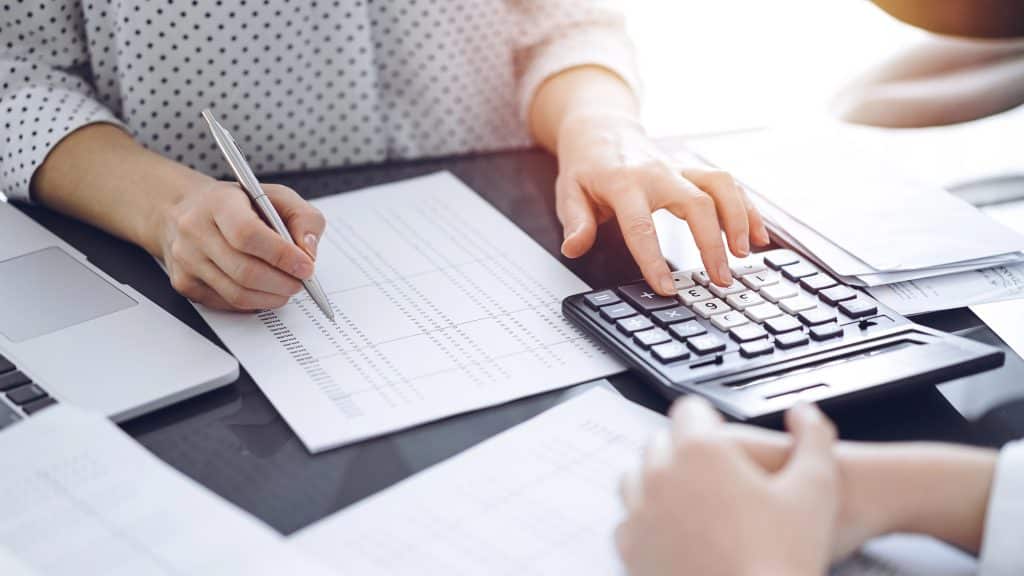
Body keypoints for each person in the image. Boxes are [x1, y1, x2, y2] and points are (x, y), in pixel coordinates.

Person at [0, 1, 768, 311]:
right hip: (198, 271)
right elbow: (16, 75)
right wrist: (167, 209)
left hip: (517, 241)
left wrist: (602, 128)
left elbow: (564, 21)